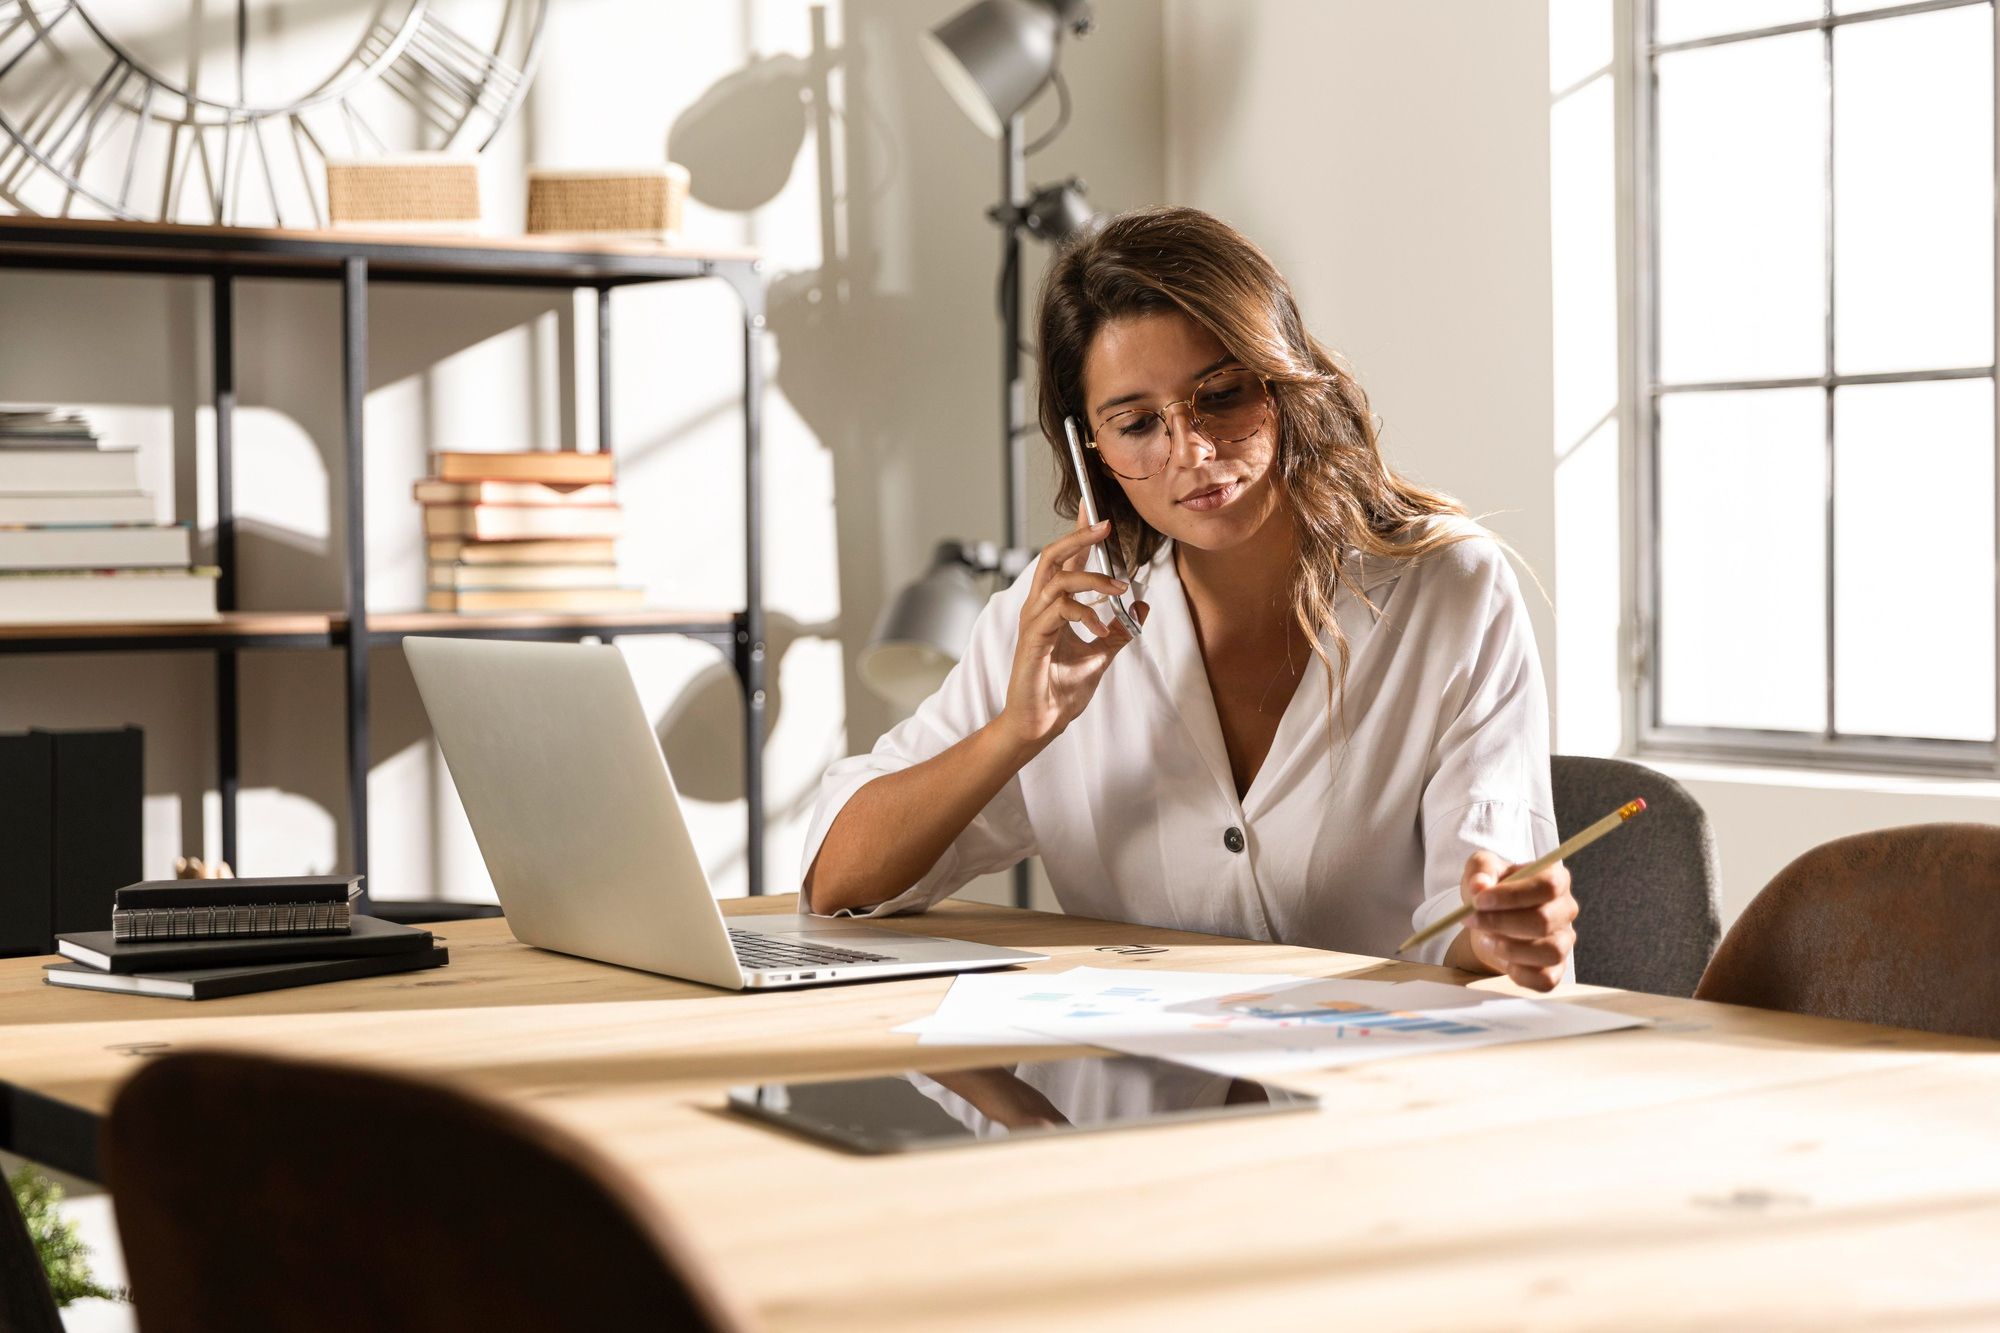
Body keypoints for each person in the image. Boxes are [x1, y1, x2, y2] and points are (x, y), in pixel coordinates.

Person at [802, 206, 1575, 990]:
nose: (1192, 451)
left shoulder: (1448, 591)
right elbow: (836, 884)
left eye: (1224, 395)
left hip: (1375, 1087)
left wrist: (1504, 930)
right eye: (1138, 423)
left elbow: (1477, 918)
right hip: (1132, 1098)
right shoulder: (1058, 624)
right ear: (1091, 449)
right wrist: (1017, 731)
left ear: (1282, 382)